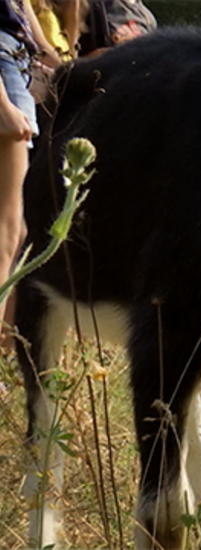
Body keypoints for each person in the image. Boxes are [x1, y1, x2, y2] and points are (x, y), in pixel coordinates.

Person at [1, 0, 61, 344]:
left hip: (16, 64)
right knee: (6, 230)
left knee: (15, 230)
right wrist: (2, 104)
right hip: (4, 70)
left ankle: (7, 352)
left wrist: (62, 65)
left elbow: (22, 14)